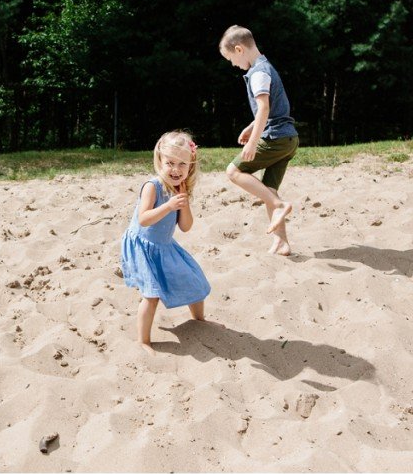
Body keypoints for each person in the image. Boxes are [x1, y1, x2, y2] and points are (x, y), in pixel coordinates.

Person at [120, 130, 211, 352]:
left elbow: (186, 226)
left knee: (194, 279)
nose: (176, 170)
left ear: (191, 165)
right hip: (143, 245)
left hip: (165, 246)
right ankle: (143, 341)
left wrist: (184, 203)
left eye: (182, 164)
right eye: (170, 163)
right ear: (159, 160)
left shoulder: (181, 188)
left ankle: (199, 320)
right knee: (151, 296)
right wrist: (169, 205)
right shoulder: (153, 186)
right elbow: (143, 219)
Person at [218, 25, 299, 256]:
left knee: (233, 171)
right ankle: (282, 242)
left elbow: (263, 107)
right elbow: (271, 108)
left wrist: (254, 142)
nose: (232, 64)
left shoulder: (258, 73)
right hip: (289, 139)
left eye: (230, 58)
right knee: (268, 190)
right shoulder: (266, 67)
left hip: (274, 138)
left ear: (239, 49)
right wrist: (251, 126)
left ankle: (281, 205)